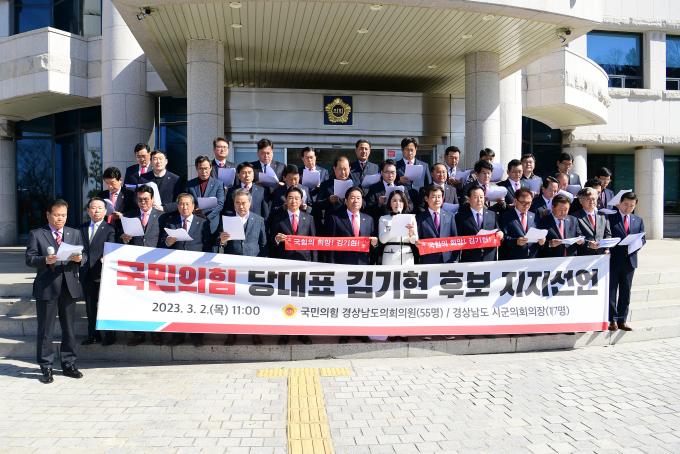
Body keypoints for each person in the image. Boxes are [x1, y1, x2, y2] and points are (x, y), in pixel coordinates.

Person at [25, 199, 86, 383]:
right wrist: (45, 260)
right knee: (46, 330)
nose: (60, 219)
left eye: (64, 215)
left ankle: (69, 364)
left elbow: (83, 256)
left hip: (69, 286)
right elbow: (29, 259)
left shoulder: (74, 233)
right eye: (57, 215)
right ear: (48, 215)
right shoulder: (37, 234)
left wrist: (80, 259)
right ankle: (46, 367)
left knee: (69, 329)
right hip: (47, 287)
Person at [159, 193, 212, 347]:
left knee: (196, 304)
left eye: (188, 204)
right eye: (181, 204)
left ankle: (197, 336)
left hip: (197, 270)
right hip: (176, 270)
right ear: (177, 206)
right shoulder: (171, 222)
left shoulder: (203, 223)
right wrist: (167, 242)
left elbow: (208, 245)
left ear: (193, 206)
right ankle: (178, 335)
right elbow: (162, 243)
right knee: (178, 303)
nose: (184, 207)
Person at [326, 186, 377, 344]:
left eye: (358, 198)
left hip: (363, 266)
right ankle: (345, 332)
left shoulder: (368, 219)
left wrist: (375, 244)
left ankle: (361, 331)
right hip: (343, 266)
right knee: (344, 301)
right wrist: (332, 267)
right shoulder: (335, 218)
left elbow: (373, 245)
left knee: (361, 301)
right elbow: (330, 245)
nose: (356, 201)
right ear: (346, 200)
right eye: (352, 198)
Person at [218, 188, 267, 346]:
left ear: (250, 203)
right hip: (233, 268)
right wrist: (222, 241)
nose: (241, 206)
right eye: (237, 203)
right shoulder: (226, 220)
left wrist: (263, 265)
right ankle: (232, 333)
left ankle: (255, 332)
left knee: (253, 302)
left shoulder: (259, 220)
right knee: (233, 301)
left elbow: (264, 244)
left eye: (244, 203)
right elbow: (219, 246)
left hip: (253, 267)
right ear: (233, 204)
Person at [270, 186, 315, 345]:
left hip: (303, 265)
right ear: (286, 200)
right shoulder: (278, 218)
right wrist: (277, 239)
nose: (293, 201)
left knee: (302, 300)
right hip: (284, 265)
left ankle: (302, 332)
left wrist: (314, 266)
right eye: (290, 198)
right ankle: (285, 333)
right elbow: (271, 241)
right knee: (285, 300)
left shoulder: (309, 218)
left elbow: (313, 243)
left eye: (297, 198)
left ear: (301, 201)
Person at [120, 185, 164, 347]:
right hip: (135, 266)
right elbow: (120, 238)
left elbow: (164, 238)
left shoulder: (162, 216)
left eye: (146, 199)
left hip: (155, 265)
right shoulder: (129, 216)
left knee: (154, 300)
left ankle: (156, 334)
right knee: (136, 301)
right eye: (140, 199)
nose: (143, 202)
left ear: (152, 199)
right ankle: (138, 334)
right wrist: (124, 239)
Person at [79, 198, 116, 346]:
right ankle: (93, 335)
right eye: (93, 208)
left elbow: (111, 246)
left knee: (106, 306)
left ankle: (109, 336)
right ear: (88, 211)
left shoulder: (110, 229)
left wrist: (107, 257)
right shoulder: (81, 228)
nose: (96, 211)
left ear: (105, 211)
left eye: (100, 208)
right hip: (86, 273)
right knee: (90, 307)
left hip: (102, 273)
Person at [608, 192, 645, 331]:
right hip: (613, 260)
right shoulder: (610, 218)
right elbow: (606, 236)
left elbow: (642, 238)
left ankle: (622, 320)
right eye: (626, 204)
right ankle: (612, 320)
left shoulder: (638, 220)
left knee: (625, 292)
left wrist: (637, 244)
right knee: (612, 291)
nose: (628, 208)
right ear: (620, 203)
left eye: (631, 205)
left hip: (630, 261)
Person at [455, 185, 503, 262]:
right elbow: (457, 239)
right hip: (470, 259)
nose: (479, 200)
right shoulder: (460, 217)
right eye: (475, 197)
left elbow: (498, 230)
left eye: (481, 197)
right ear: (468, 199)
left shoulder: (492, 214)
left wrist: (500, 233)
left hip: (489, 259)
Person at [311, 156, 355, 234]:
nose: (343, 172)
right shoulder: (326, 185)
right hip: (331, 225)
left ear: (350, 168)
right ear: (334, 169)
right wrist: (328, 200)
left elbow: (363, 203)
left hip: (350, 224)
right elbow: (317, 205)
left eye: (345, 169)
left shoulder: (355, 184)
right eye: (340, 169)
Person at [416, 185, 459, 264]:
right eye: (433, 197)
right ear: (426, 199)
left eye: (439, 197)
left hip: (447, 260)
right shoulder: (420, 218)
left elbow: (455, 239)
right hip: (428, 260)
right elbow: (418, 241)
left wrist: (455, 259)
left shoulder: (450, 216)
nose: (437, 200)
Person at [499, 188, 545, 260]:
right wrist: (516, 241)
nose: (526, 206)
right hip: (513, 259)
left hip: (532, 259)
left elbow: (539, 234)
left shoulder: (534, 216)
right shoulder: (505, 217)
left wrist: (542, 240)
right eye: (523, 203)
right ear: (515, 201)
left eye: (529, 203)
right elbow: (502, 238)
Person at [186, 155, 225, 235]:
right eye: (201, 168)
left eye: (206, 168)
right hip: (194, 221)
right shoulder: (190, 184)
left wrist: (207, 216)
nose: (204, 171)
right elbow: (186, 201)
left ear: (210, 168)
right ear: (196, 169)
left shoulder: (218, 184)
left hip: (212, 222)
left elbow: (220, 204)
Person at [378, 190, 418, 266]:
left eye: (401, 201)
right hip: (390, 256)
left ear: (404, 203)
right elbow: (382, 240)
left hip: (407, 256)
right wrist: (393, 227)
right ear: (390, 203)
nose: (398, 203)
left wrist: (411, 234)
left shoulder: (411, 218)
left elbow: (414, 241)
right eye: (394, 201)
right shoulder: (384, 219)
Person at [141, 149, 184, 214]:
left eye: (161, 159)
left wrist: (164, 208)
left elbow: (180, 200)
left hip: (168, 215)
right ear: (151, 162)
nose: (158, 161)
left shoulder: (176, 179)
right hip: (148, 214)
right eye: (155, 159)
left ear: (166, 161)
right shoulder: (143, 178)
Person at [573, 187, 611, 255]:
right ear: (580, 201)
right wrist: (588, 244)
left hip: (602, 254)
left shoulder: (603, 216)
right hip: (583, 255)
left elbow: (607, 234)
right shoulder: (575, 217)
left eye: (593, 199)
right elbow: (577, 236)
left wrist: (607, 248)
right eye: (588, 199)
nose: (591, 202)